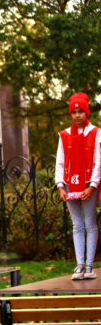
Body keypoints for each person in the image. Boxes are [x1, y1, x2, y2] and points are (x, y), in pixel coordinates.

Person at [56, 92, 101, 280]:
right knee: (77, 225)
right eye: (73, 111)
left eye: (80, 111)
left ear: (86, 112)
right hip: (70, 185)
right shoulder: (64, 135)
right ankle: (79, 265)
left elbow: (99, 162)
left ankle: (89, 265)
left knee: (90, 224)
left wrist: (92, 186)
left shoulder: (96, 133)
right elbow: (60, 161)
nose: (77, 115)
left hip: (88, 184)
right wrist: (60, 186)